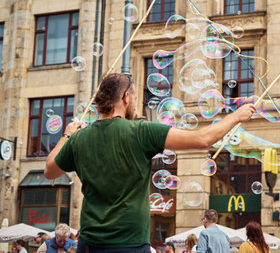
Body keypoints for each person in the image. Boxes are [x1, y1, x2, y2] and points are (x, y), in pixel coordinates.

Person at [44, 73, 256, 252]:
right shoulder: (141, 131)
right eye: (135, 97)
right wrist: (236, 116)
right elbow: (202, 139)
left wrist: (68, 134)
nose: (136, 104)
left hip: (89, 244)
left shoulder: (79, 139)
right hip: (131, 244)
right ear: (126, 98)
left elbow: (49, 171)